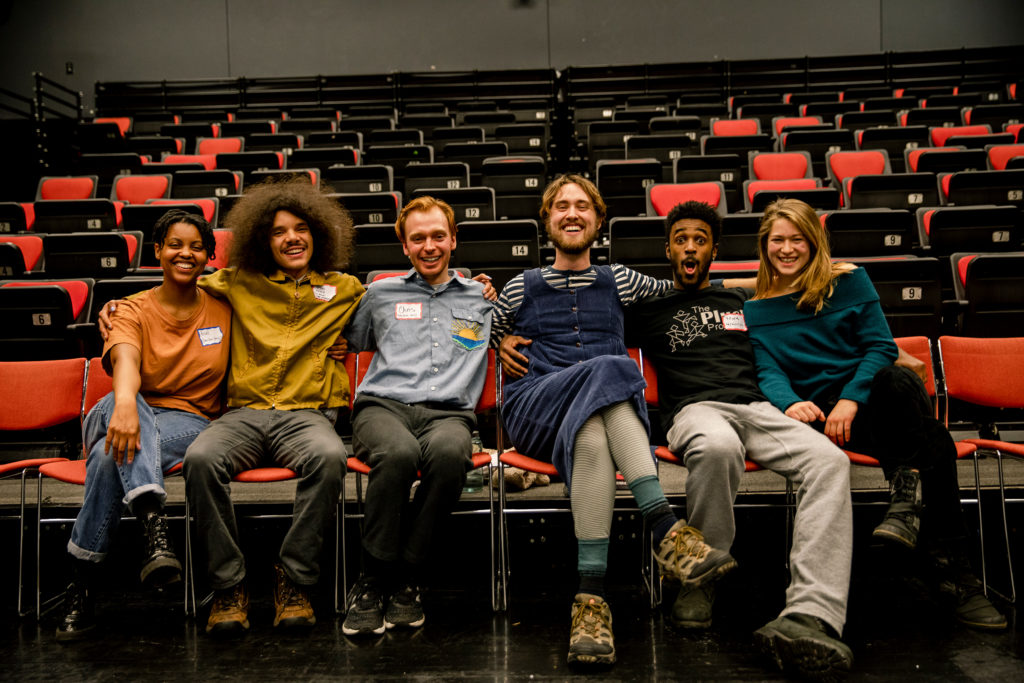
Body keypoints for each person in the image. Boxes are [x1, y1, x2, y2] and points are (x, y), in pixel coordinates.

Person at [102, 179, 365, 635]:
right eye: (279, 231)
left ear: (319, 234)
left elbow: (403, 300)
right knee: (201, 459)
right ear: (264, 240)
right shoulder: (237, 281)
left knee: (330, 457)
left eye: (301, 228)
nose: (292, 238)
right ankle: (228, 586)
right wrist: (120, 307)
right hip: (242, 413)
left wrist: (475, 288)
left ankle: (295, 578)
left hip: (305, 414)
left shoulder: (345, 289)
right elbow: (178, 279)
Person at [496, 175, 736, 666]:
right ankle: (665, 527)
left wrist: (774, 286)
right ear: (547, 221)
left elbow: (689, 288)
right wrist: (497, 340)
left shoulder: (621, 280)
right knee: (613, 368)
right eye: (561, 206)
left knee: (590, 431)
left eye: (583, 206)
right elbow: (474, 332)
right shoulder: (520, 286)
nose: (572, 213)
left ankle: (590, 600)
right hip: (535, 410)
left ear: (598, 221)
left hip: (594, 421)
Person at [743, 197, 1006, 632]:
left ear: (814, 242)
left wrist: (850, 398)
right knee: (935, 441)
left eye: (797, 239)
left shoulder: (848, 281)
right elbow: (766, 370)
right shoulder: (756, 309)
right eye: (778, 241)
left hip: (874, 407)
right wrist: (790, 402)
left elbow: (881, 347)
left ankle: (909, 508)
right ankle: (951, 571)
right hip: (818, 419)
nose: (787, 249)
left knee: (897, 382)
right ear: (764, 246)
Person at [626, 200, 854, 679]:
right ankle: (697, 578)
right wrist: (503, 331)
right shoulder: (648, 308)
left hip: (756, 407)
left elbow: (799, 302)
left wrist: (829, 270)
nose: (691, 246)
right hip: (696, 410)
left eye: (701, 239)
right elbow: (577, 320)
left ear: (714, 250)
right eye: (682, 238)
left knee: (830, 461)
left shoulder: (738, 303)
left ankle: (812, 612)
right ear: (668, 248)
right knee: (717, 446)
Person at [58, 210, 231, 641]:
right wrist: (124, 404)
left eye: (196, 246)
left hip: (191, 421)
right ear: (157, 251)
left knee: (105, 456)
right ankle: (153, 527)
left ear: (209, 256)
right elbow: (126, 363)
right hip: (121, 408)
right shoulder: (131, 308)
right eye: (175, 244)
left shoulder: (226, 307)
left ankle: (81, 584)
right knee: (128, 421)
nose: (185, 253)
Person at [340, 196, 494, 636]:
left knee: (449, 456)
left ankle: (407, 575)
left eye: (438, 236)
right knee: (398, 454)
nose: (429, 246)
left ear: (454, 240)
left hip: (449, 414)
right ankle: (371, 578)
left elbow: (511, 336)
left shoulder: (481, 298)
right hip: (382, 407)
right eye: (418, 238)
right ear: (404, 247)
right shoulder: (380, 294)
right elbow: (349, 345)